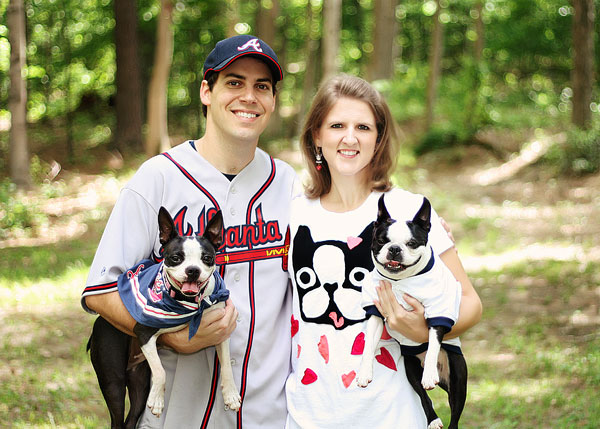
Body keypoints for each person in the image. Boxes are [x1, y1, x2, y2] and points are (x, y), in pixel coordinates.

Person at [81, 35, 297, 428]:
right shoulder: (159, 177)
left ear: (272, 100)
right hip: (173, 413)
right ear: (206, 91)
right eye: (234, 82)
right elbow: (101, 290)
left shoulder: (290, 185)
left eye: (261, 86)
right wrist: (170, 336)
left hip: (270, 412)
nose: (248, 96)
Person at [284, 74, 482, 428]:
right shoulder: (292, 212)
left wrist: (423, 332)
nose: (349, 137)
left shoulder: (409, 211)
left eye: (363, 127)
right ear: (316, 135)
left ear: (378, 139)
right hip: (308, 412)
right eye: (336, 125)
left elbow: (469, 302)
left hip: (393, 412)